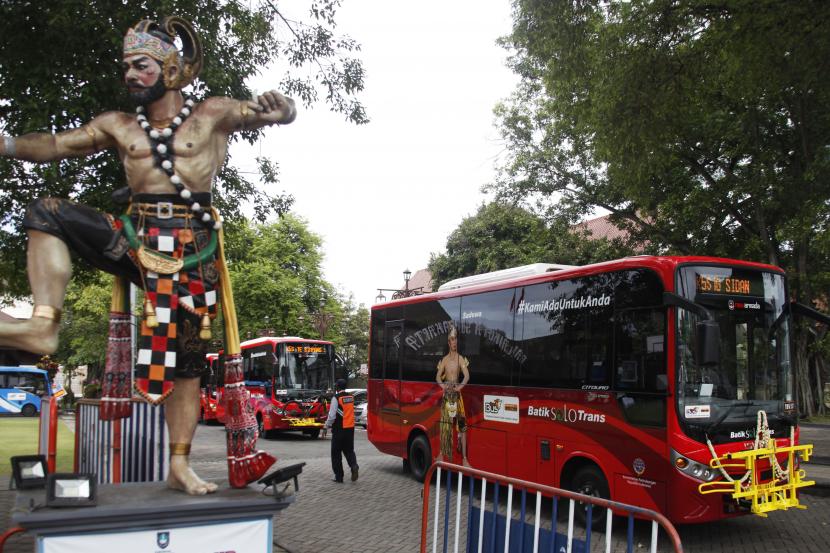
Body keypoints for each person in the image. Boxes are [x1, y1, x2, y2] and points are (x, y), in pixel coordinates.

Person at [0, 16, 296, 495]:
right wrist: (7, 144)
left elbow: (265, 113)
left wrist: (281, 108)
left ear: (173, 68)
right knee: (46, 212)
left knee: (187, 368)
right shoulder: (118, 126)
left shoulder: (212, 113)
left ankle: (179, 464)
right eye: (126, 67)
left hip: (192, 253)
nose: (130, 76)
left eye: (141, 66)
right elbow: (56, 144)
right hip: (134, 239)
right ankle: (42, 323)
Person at [435, 325, 470, 466]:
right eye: (452, 339)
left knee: (462, 426)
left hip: (457, 396)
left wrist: (459, 387)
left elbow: (467, 375)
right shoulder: (444, 360)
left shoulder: (460, 359)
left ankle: (464, 459)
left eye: (455, 339)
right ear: (448, 342)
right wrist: (443, 386)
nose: (454, 342)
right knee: (445, 425)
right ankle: (442, 454)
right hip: (447, 396)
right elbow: (438, 377)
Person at [325, 379, 359, 483]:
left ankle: (339, 476)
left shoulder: (336, 398)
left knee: (336, 453)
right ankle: (354, 465)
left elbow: (332, 415)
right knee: (349, 450)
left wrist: (326, 425)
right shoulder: (351, 397)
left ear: (337, 387)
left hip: (339, 429)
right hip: (350, 428)